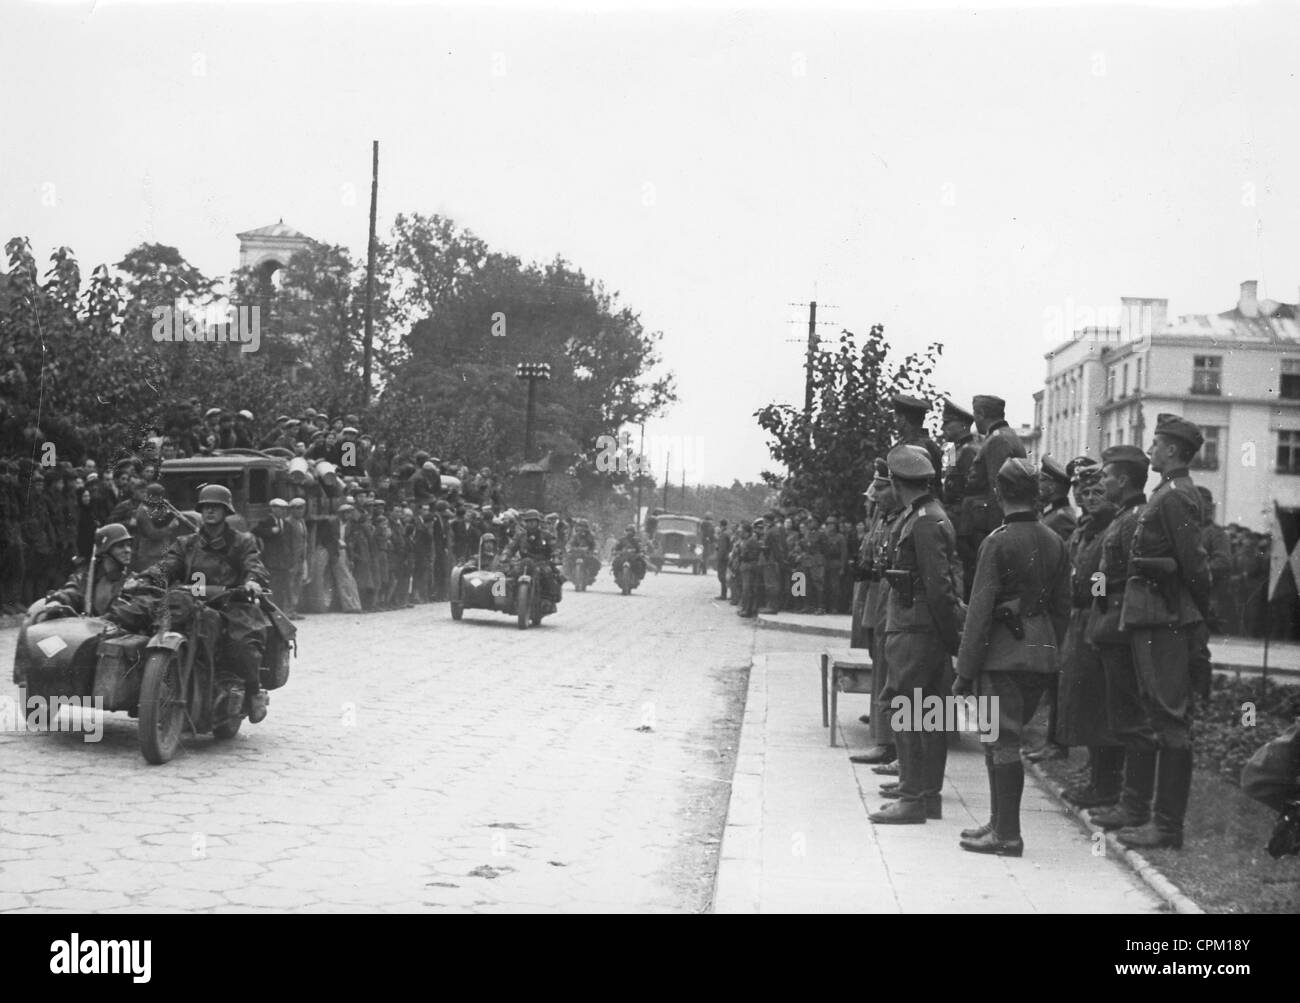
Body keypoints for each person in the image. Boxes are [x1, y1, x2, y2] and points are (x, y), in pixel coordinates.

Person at [954, 458, 1071, 856]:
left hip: (1002, 655)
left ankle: (1008, 834)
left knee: (1001, 742)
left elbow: (979, 611)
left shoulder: (997, 541)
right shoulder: (1054, 540)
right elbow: (1062, 608)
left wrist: (965, 670)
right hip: (1040, 653)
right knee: (1002, 740)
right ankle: (998, 822)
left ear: (1000, 493)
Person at [1114, 414, 1212, 851]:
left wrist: (1193, 613)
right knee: (1158, 715)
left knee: (1170, 719)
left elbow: (1194, 565)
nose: (1150, 451)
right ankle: (1154, 818)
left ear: (1172, 450)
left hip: (1165, 617)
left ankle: (1167, 826)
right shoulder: (1167, 492)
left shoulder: (1174, 496)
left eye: (1155, 444)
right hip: (1154, 615)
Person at [869, 445, 965, 825]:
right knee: (929, 712)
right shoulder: (926, 515)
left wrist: (949, 638)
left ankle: (913, 798)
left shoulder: (923, 522)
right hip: (920, 626)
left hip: (915, 627)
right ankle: (925, 794)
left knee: (905, 707)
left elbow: (939, 588)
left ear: (896, 482)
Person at [131, 484, 272, 723]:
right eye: (206, 507)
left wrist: (252, 581)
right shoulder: (187, 542)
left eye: (216, 507)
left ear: (226, 511)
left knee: (243, 644)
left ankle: (253, 690)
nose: (210, 511)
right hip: (188, 603)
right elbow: (169, 565)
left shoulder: (241, 541)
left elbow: (253, 564)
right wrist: (145, 577)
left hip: (229, 604)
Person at [1086, 445, 1158, 836]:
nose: (1103, 482)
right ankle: (1123, 797)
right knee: (1120, 716)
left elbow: (1124, 575)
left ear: (1126, 480)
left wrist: (1100, 595)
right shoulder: (1123, 517)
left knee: (1131, 719)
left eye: (1108, 476)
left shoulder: (1133, 519)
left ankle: (1134, 805)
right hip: (1109, 622)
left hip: (1120, 625)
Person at [1055, 456, 1124, 809]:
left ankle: (1106, 783)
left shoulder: (1111, 526)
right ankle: (1097, 774)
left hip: (1097, 617)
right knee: (1084, 700)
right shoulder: (1087, 526)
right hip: (1080, 617)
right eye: (1083, 491)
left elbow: (1103, 577)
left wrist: (1092, 599)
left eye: (1097, 490)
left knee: (1100, 703)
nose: (1089, 496)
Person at [849, 459, 903, 767]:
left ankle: (890, 744)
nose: (876, 496)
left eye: (882, 488)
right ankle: (884, 739)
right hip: (879, 596)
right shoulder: (885, 518)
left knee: (892, 672)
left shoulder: (901, 520)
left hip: (892, 601)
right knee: (881, 666)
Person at [959, 394, 1027, 575]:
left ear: (981, 413)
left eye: (975, 415)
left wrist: (998, 532)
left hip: (985, 527)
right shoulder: (1005, 435)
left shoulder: (997, 440)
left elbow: (998, 488)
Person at [49, 522, 136, 616]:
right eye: (120, 546)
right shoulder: (86, 577)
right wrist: (58, 602)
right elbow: (71, 592)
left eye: (128, 545)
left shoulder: (133, 580)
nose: (128, 550)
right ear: (105, 551)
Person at [502, 509, 562, 602]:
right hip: (524, 562)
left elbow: (554, 547)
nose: (531, 524)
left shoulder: (546, 534)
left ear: (538, 522)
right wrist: (506, 555)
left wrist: (556, 557)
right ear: (525, 523)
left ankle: (548, 597)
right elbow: (511, 546)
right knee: (510, 574)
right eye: (529, 521)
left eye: (533, 521)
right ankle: (509, 596)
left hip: (541, 562)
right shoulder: (520, 535)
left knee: (548, 574)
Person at [891, 393, 944, 497]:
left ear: (902, 419)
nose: (895, 422)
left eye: (896, 417)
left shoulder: (916, 447)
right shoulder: (923, 444)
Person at [611, 523, 648, 589]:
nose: (629, 533)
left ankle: (638, 577)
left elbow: (641, 548)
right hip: (623, 557)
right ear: (626, 531)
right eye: (628, 531)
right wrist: (614, 551)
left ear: (634, 532)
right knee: (615, 563)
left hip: (634, 558)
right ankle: (617, 576)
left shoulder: (637, 540)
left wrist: (642, 552)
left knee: (642, 563)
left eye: (631, 531)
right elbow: (616, 547)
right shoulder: (621, 540)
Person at [714, 519, 731, 600]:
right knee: (723, 576)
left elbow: (723, 549)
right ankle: (724, 594)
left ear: (721, 525)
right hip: (726, 557)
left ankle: (723, 595)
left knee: (722, 576)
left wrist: (719, 558)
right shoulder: (728, 533)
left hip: (723, 559)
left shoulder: (723, 535)